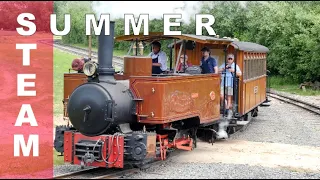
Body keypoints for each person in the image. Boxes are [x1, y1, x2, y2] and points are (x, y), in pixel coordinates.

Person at [218, 53, 242, 118]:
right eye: (229, 58)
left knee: (229, 97)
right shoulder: (224, 64)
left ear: (233, 59)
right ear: (227, 59)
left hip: (230, 83)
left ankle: (227, 110)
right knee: (221, 95)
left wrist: (232, 70)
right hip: (223, 83)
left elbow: (240, 74)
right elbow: (217, 70)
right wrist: (223, 68)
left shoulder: (235, 65)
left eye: (231, 59)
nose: (230, 60)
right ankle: (226, 106)